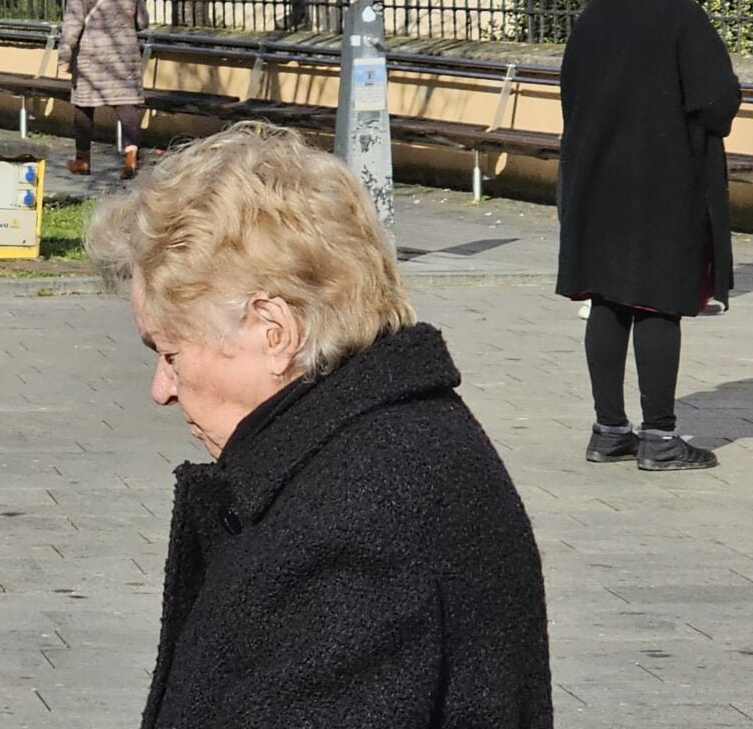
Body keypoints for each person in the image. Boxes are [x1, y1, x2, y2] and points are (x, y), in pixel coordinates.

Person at [87, 122, 553, 729]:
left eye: (170, 352)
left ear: (273, 331)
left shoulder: (355, 524)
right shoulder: (392, 443)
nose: (161, 389)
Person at [557, 0, 740, 471]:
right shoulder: (681, 17)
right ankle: (660, 436)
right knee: (658, 300)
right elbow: (716, 102)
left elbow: (570, 95)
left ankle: (609, 430)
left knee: (607, 297)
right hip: (663, 180)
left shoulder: (594, 15)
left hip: (596, 176)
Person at [58, 0, 149, 180]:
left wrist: (64, 55)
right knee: (126, 105)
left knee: (84, 106)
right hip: (124, 55)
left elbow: (72, 24)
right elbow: (142, 21)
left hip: (91, 55)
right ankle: (131, 159)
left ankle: (82, 160)